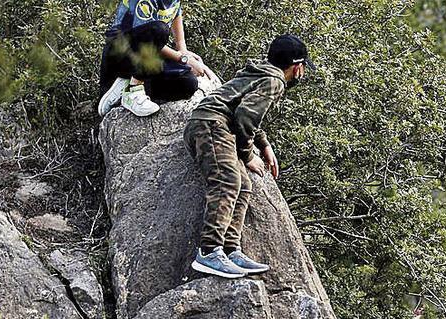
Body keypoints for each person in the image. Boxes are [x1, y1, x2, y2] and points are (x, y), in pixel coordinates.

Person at [185, 34, 310, 279]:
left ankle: (231, 250)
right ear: (297, 67)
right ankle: (209, 252)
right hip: (210, 126)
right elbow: (244, 116)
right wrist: (247, 154)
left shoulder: (263, 72)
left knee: (243, 185)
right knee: (228, 181)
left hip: (212, 124)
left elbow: (244, 107)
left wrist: (263, 145)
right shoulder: (275, 81)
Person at [98, 0, 213, 117]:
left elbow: (175, 12)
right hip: (119, 55)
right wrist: (182, 58)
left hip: (144, 62)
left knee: (188, 83)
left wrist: (184, 50)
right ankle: (132, 90)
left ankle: (125, 90)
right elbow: (148, 40)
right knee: (159, 30)